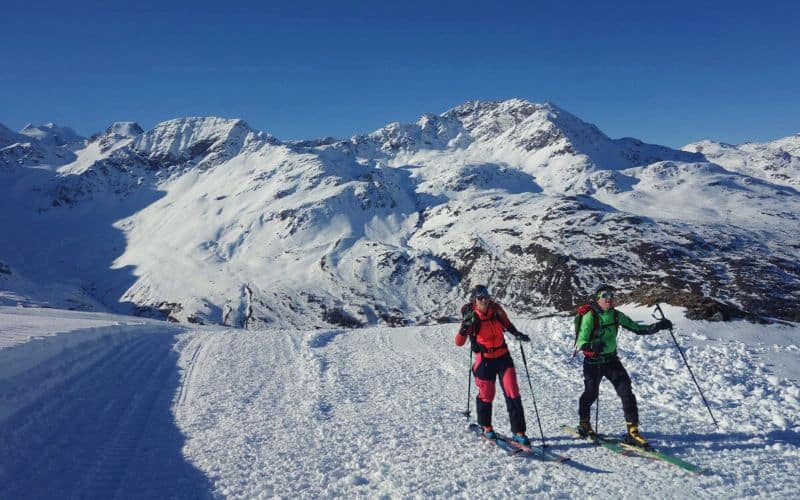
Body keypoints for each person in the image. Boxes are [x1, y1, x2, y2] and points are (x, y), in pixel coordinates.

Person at [575, 284, 672, 448]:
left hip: (611, 360)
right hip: (593, 362)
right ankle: (584, 423)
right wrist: (592, 347)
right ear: (598, 298)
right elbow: (581, 342)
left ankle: (633, 431)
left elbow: (638, 329)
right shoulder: (590, 316)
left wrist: (658, 326)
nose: (609, 298)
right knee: (591, 394)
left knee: (626, 391)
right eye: (605, 295)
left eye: (611, 294)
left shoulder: (617, 315)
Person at [455, 284, 532, 445]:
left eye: (486, 297)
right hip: (484, 360)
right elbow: (459, 342)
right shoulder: (472, 316)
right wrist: (465, 326)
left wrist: (517, 334)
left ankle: (519, 432)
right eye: (480, 298)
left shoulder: (496, 311)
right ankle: (487, 427)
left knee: (513, 392)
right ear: (474, 300)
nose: (484, 300)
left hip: (503, 357)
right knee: (487, 394)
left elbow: (508, 324)